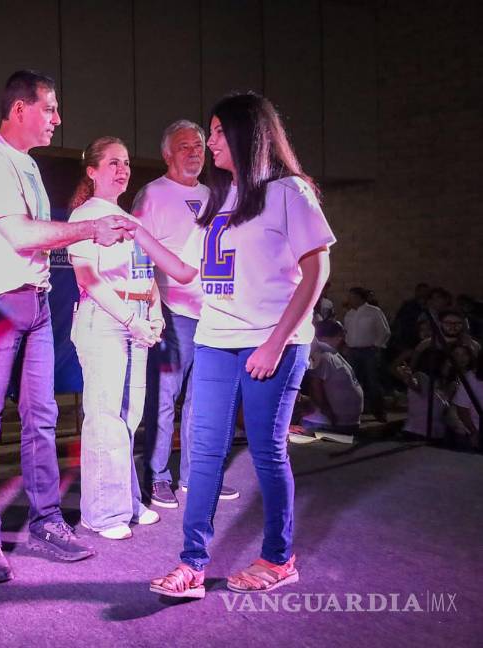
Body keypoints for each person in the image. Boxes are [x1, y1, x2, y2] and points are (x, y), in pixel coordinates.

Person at [149, 92, 335, 599]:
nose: (208, 143)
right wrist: (134, 231)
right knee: (204, 452)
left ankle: (279, 557)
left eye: (215, 132)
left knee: (267, 451)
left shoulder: (289, 191)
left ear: (246, 134)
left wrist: (275, 344)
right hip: (214, 340)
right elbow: (186, 269)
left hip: (272, 344)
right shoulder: (222, 197)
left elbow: (317, 271)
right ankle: (191, 564)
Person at [0, 70, 136, 583]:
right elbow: (18, 234)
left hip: (34, 302)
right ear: (19, 110)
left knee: (42, 416)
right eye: (49, 108)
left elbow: (32, 237)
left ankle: (47, 521)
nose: (57, 119)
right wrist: (89, 228)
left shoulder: (28, 166)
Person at [133, 119, 239, 509]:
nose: (194, 151)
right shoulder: (152, 195)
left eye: (198, 145)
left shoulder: (215, 195)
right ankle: (157, 475)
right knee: (164, 399)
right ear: (167, 153)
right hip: (172, 311)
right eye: (184, 146)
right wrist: (150, 306)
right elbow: (138, 257)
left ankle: (197, 476)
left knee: (203, 400)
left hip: (211, 311)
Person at [66, 136, 162, 539]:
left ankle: (124, 500)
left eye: (125, 163)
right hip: (103, 318)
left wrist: (154, 312)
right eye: (112, 163)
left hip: (136, 317)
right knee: (105, 416)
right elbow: (87, 278)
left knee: (129, 416)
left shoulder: (132, 218)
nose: (122, 170)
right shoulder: (83, 217)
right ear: (92, 170)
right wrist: (129, 316)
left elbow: (147, 273)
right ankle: (102, 512)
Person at [298, 320, 363, 434]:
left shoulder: (331, 353)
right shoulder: (323, 354)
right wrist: (326, 410)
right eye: (340, 336)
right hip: (327, 422)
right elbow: (315, 385)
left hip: (341, 422)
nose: (342, 339)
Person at [343, 286, 391, 422]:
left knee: (373, 381)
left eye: (352, 297)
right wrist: (347, 345)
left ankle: (379, 412)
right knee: (353, 382)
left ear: (359, 297)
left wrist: (376, 347)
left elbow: (385, 331)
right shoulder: (349, 314)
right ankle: (354, 412)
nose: (349, 299)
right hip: (353, 351)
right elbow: (346, 332)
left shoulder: (374, 312)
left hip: (369, 351)